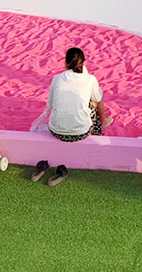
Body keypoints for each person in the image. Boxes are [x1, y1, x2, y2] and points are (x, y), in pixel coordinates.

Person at [31, 47, 110, 187]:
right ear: (84, 63)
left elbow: (50, 106)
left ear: (66, 63)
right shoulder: (90, 79)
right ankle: (101, 127)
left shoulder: (57, 79)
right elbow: (98, 99)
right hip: (80, 133)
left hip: (56, 131)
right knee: (95, 103)